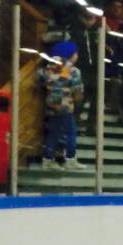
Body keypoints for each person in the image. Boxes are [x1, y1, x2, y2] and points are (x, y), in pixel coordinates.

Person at [39, 41, 86, 171]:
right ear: (70, 54)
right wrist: (78, 101)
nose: (77, 55)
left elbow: (41, 80)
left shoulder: (48, 68)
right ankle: (70, 159)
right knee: (71, 132)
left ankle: (47, 161)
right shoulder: (72, 70)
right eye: (75, 53)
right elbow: (77, 91)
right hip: (65, 105)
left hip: (50, 104)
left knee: (53, 133)